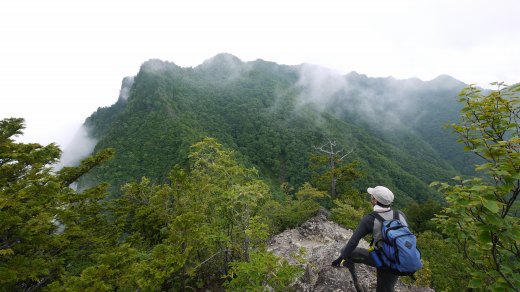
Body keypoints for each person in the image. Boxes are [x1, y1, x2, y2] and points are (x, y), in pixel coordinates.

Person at [331, 186, 408, 292]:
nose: (370, 197)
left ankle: (356, 286)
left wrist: (340, 258)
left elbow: (353, 241)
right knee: (387, 288)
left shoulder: (370, 219)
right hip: (401, 258)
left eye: (372, 196)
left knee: (345, 251)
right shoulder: (400, 214)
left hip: (384, 260)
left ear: (375, 200)